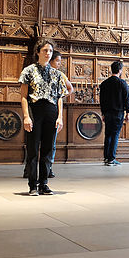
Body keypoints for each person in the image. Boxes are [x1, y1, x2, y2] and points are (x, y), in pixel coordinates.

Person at [19, 39, 68, 196]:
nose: (48, 53)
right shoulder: (28, 71)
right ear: (38, 52)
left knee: (48, 149)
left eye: (50, 51)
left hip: (51, 111)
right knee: (33, 149)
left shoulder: (57, 74)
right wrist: (26, 117)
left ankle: (44, 184)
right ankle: (33, 185)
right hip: (35, 110)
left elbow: (60, 97)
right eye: (45, 50)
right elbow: (24, 97)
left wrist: (60, 117)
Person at [47, 50, 74, 178]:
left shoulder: (60, 75)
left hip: (53, 109)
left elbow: (70, 88)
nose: (59, 64)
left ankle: (48, 167)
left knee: (51, 142)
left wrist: (60, 95)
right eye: (57, 61)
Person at [99, 60, 129, 166]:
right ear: (120, 70)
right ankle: (111, 159)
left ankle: (106, 158)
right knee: (115, 135)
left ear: (111, 70)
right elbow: (126, 99)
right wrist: (128, 112)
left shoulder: (104, 84)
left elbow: (102, 101)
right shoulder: (122, 83)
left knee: (107, 135)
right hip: (118, 113)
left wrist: (103, 113)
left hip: (107, 113)